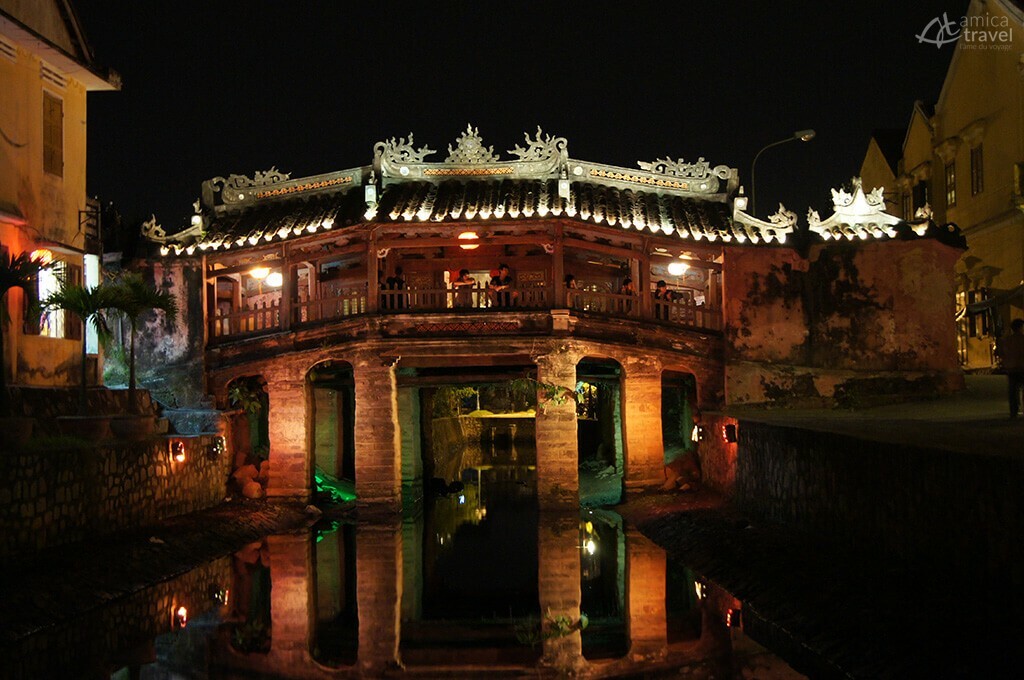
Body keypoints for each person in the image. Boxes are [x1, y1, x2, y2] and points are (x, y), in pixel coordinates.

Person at [995, 318, 1024, 418]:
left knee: (1012, 390)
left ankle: (1013, 411)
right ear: (1020, 327)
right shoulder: (1022, 339)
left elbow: (1001, 353)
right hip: (1022, 367)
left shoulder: (1007, 340)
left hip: (1011, 368)